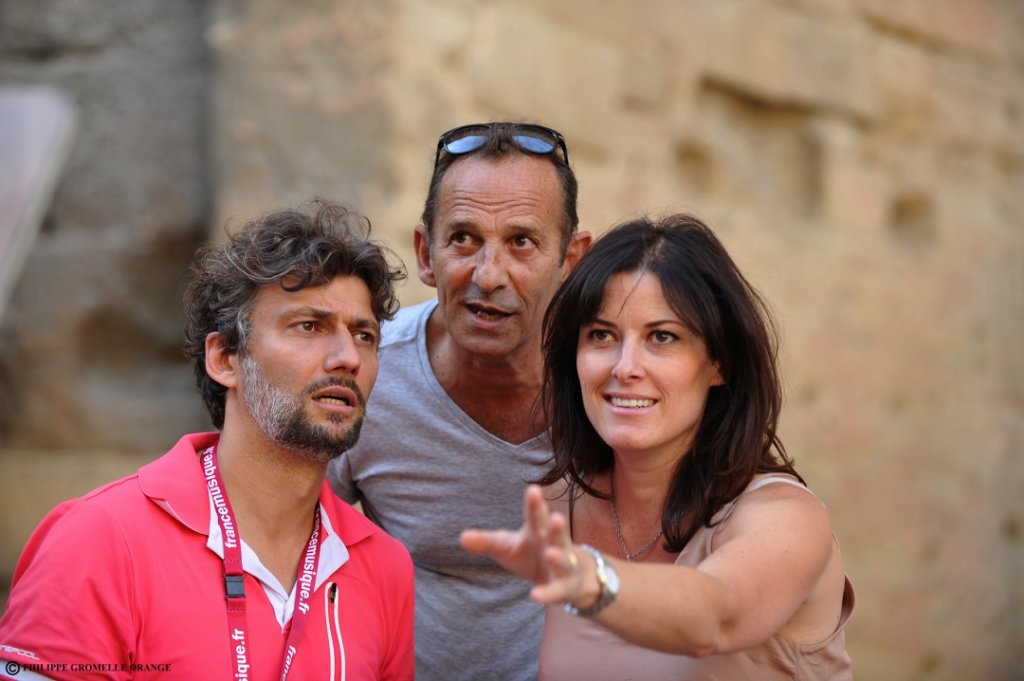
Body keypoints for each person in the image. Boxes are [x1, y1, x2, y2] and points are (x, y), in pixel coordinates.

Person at [0, 201, 415, 680]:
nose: (348, 357)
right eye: (310, 326)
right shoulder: (99, 540)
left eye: (363, 335)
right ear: (224, 359)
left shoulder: (385, 566)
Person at [461, 214, 855, 680]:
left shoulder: (784, 516)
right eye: (602, 335)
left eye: (662, 337)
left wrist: (592, 579)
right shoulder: (558, 505)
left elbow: (715, 616)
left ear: (719, 363)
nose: (625, 367)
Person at [328, 122, 591, 680]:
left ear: (571, 261)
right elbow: (274, 540)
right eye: (463, 239)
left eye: (522, 242)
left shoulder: (616, 383)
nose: (488, 275)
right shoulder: (366, 375)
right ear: (426, 253)